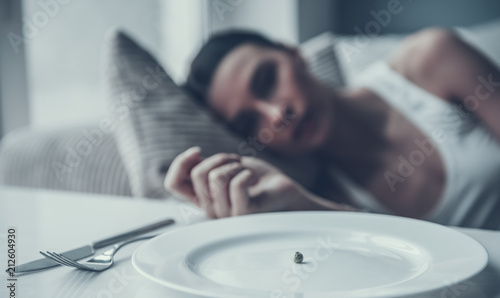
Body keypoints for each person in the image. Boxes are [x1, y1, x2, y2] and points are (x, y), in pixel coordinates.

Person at [164, 28, 500, 229]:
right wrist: (301, 203)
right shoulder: (322, 198)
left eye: (268, 80)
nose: (277, 114)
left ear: (294, 54)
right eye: (250, 123)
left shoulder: (432, 59)